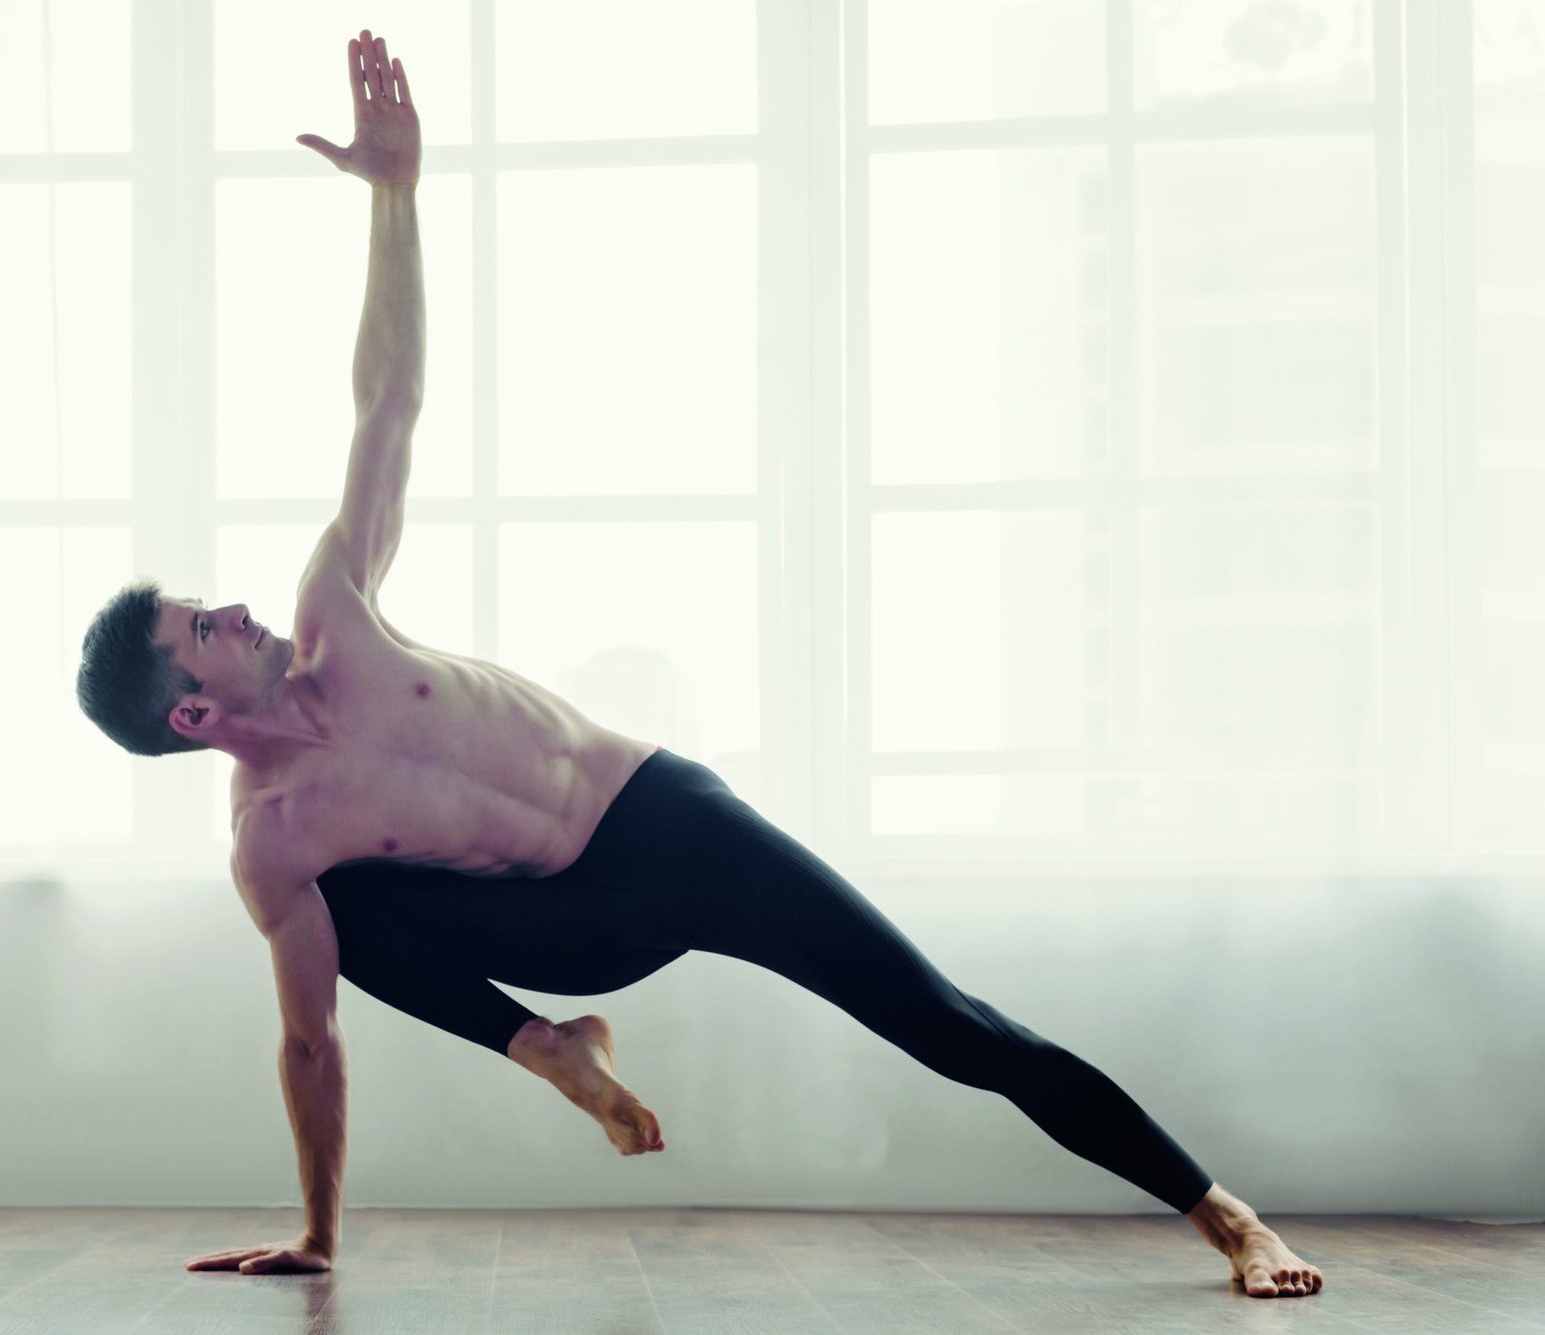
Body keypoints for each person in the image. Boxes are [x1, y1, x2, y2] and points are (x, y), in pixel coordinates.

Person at [75, 30, 1322, 1300]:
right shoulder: (274, 839)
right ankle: (546, 1046)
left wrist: (395, 202)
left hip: (668, 825)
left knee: (949, 1027)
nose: (233, 610)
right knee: (340, 922)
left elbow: (385, 403)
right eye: (204, 629)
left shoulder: (336, 610)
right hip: (572, 924)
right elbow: (308, 1043)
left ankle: (1225, 1217)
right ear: (189, 709)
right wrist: (321, 1232)